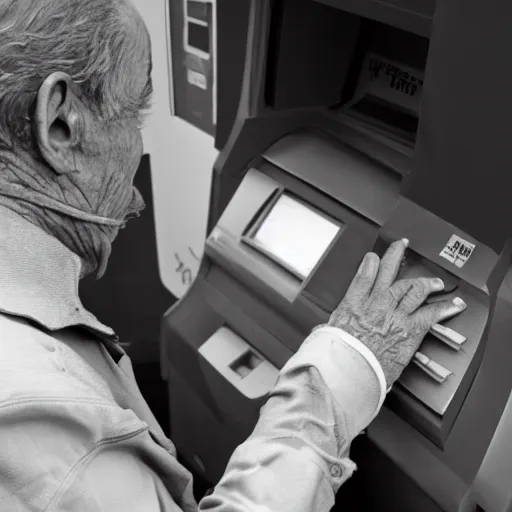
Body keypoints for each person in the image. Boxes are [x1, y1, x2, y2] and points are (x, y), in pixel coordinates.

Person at [0, 0, 466, 510]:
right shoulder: (57, 427)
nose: (136, 151)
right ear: (60, 125)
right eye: (135, 111)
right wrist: (343, 372)